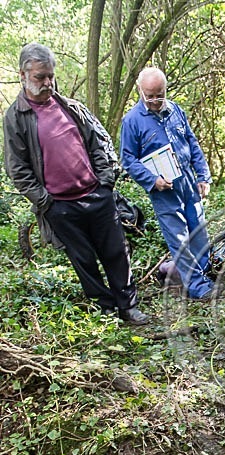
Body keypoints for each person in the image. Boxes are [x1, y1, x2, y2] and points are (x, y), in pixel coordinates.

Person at [3, 43, 148, 325]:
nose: (47, 83)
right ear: (23, 75)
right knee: (84, 260)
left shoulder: (70, 107)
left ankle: (128, 307)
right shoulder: (15, 118)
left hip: (96, 195)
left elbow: (99, 143)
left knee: (116, 252)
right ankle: (106, 312)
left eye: (50, 76)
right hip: (60, 205)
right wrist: (46, 202)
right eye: (39, 77)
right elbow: (17, 169)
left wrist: (105, 182)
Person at [120, 67, 214, 300]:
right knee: (179, 239)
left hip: (189, 183)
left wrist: (203, 176)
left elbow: (192, 143)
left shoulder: (176, 111)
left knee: (199, 232)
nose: (154, 101)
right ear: (140, 91)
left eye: (159, 95)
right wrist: (152, 181)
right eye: (149, 95)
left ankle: (200, 274)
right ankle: (198, 288)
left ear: (165, 89)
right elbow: (128, 159)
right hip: (164, 189)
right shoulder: (132, 121)